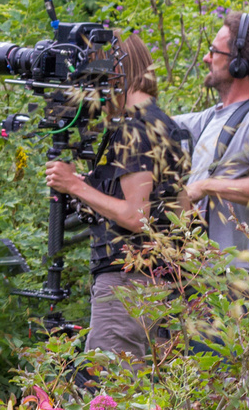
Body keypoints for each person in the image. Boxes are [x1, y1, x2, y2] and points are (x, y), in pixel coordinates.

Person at [44, 35, 189, 368]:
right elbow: (172, 207)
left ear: (112, 74)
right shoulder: (163, 123)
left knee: (105, 401)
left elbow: (136, 216)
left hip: (127, 285)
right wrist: (92, 188)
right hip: (161, 282)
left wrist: (72, 186)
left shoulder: (132, 128)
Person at [174, 11, 249, 262]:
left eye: (214, 51)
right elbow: (151, 122)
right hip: (198, 280)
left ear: (238, 63)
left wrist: (206, 186)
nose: (206, 58)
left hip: (227, 284)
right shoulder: (210, 119)